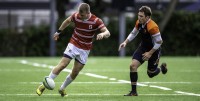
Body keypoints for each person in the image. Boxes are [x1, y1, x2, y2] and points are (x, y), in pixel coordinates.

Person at [36, 3, 110, 97]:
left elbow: (107, 32)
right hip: (73, 44)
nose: (80, 16)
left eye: (82, 15)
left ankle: (62, 89)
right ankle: (43, 85)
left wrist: (103, 34)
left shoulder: (96, 21)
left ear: (88, 13)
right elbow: (67, 21)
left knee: (75, 72)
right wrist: (58, 32)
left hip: (85, 49)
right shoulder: (76, 16)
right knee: (63, 65)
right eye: (79, 14)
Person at [118, 6, 167, 96]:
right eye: (138, 15)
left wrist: (150, 53)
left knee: (151, 74)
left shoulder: (153, 27)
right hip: (143, 47)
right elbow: (133, 33)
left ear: (147, 17)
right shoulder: (139, 23)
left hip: (154, 50)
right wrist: (125, 42)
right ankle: (134, 92)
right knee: (133, 66)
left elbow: (159, 42)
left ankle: (161, 68)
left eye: (141, 16)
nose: (139, 18)